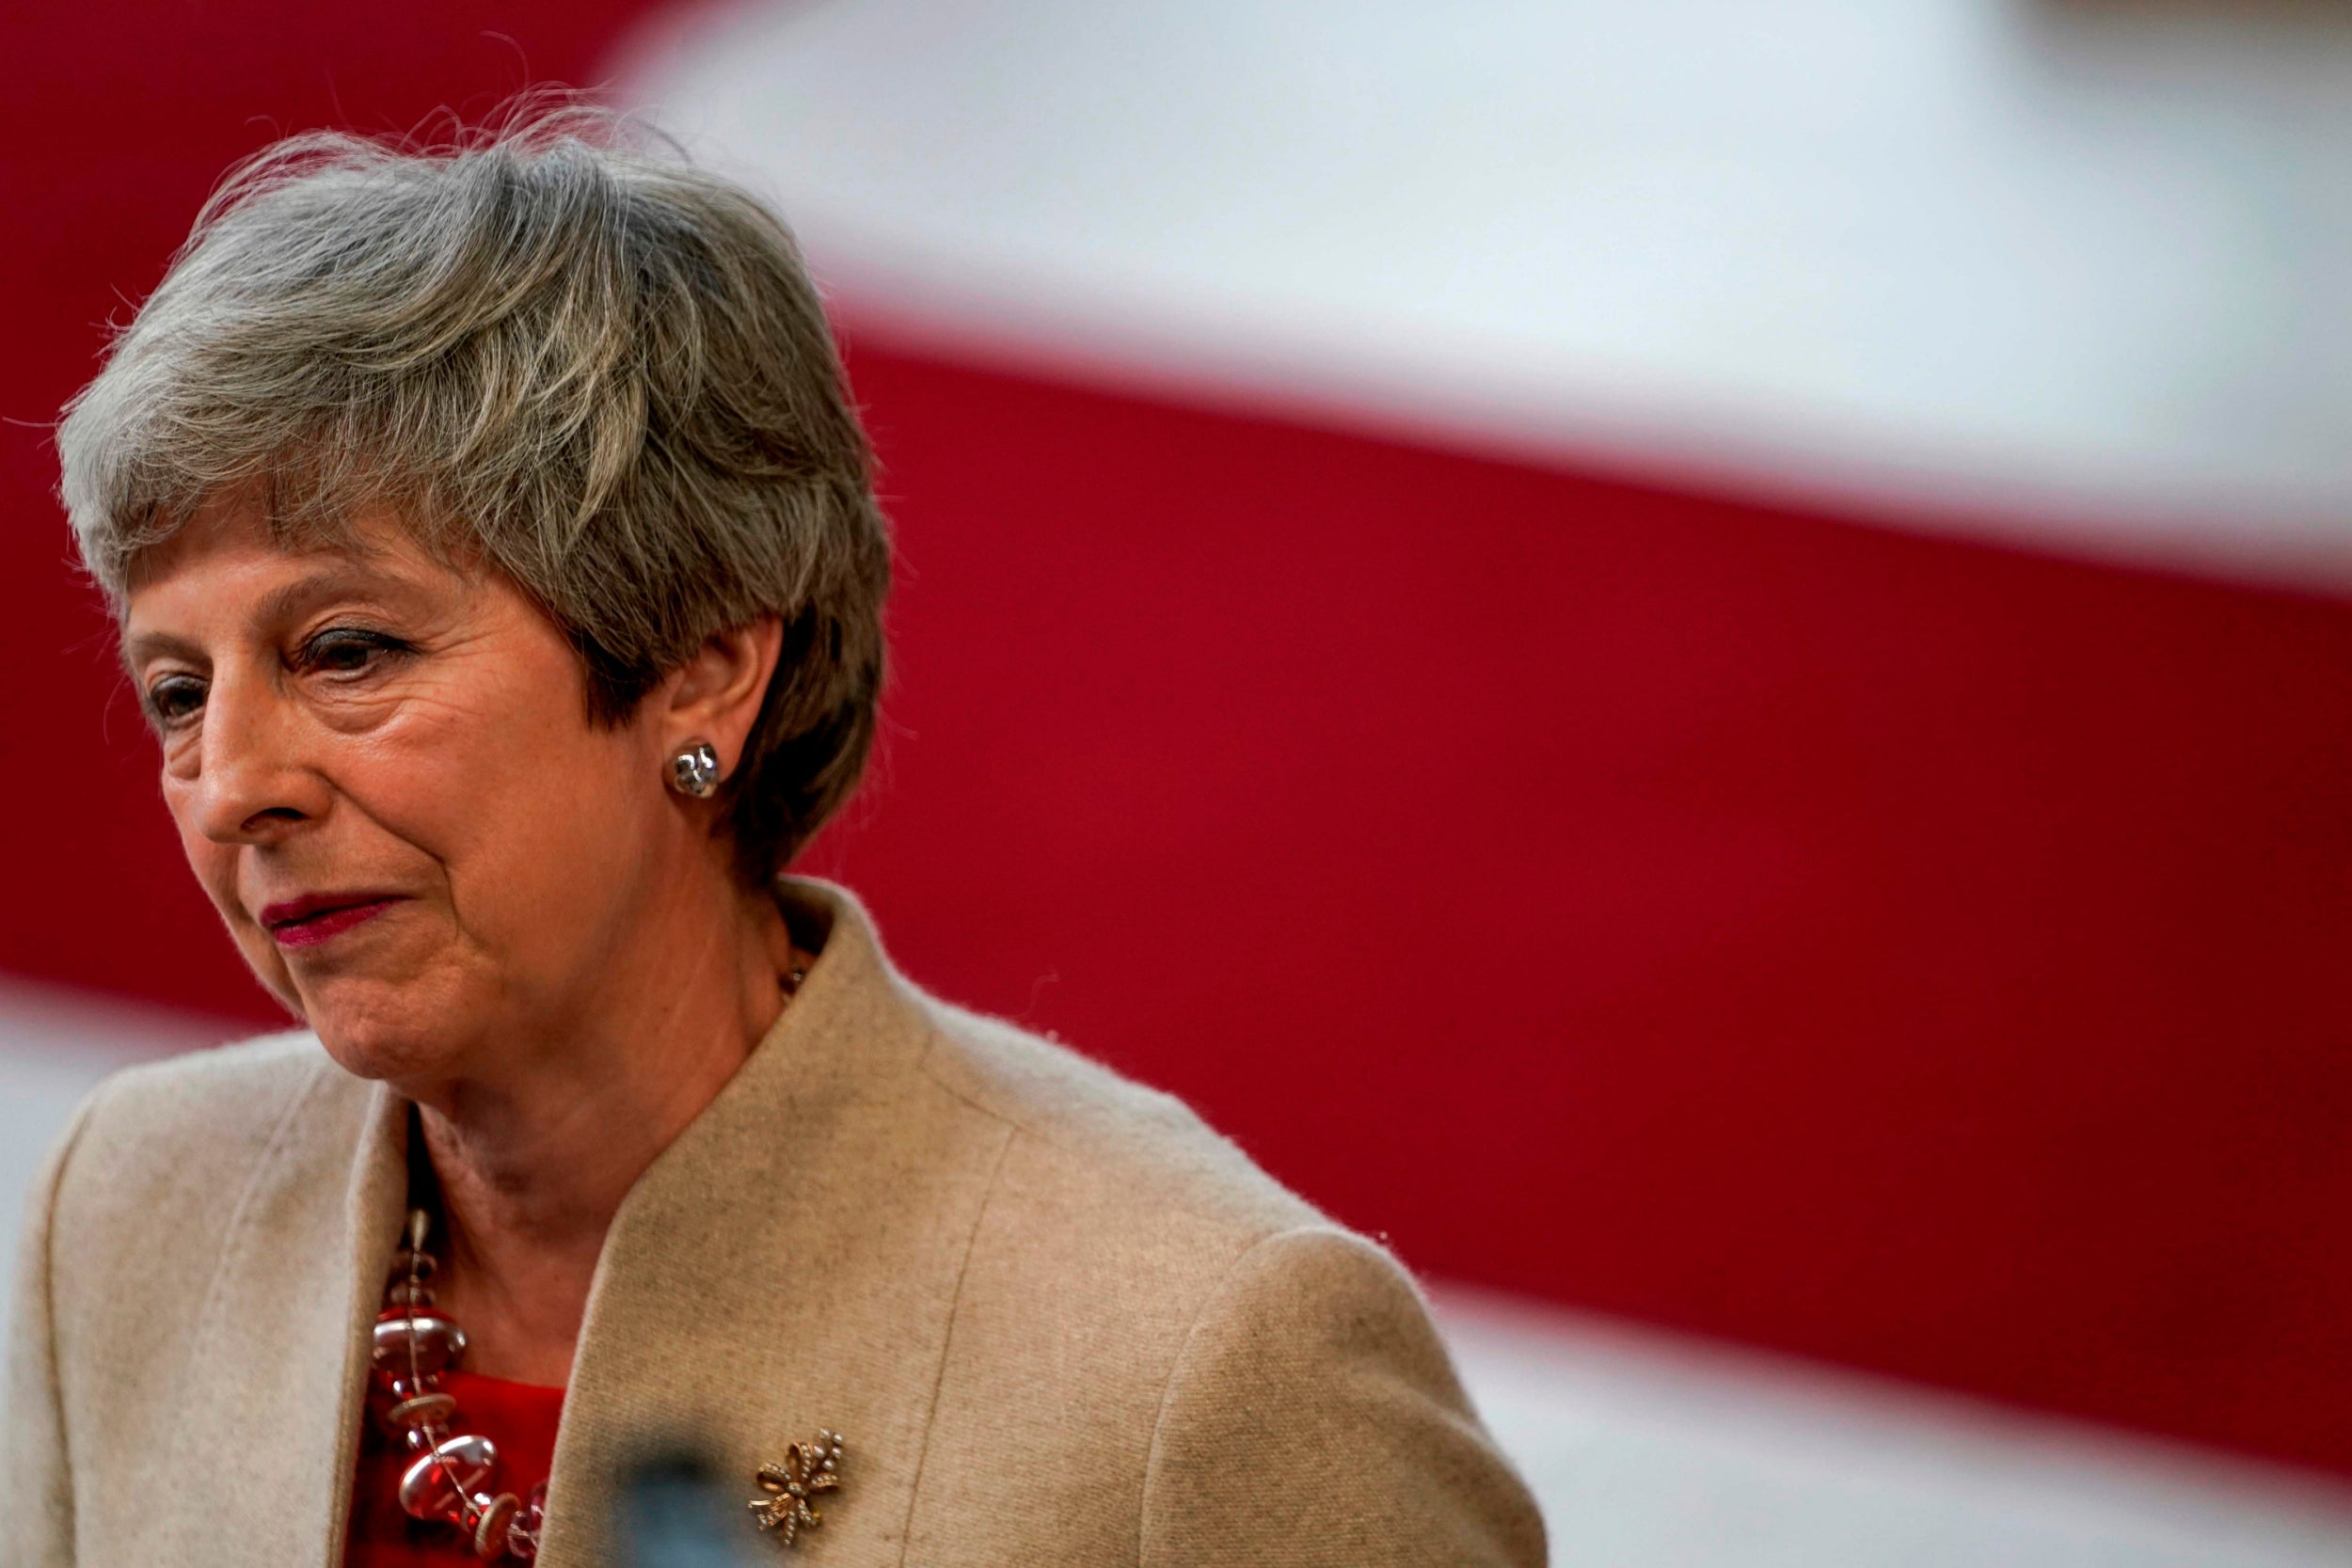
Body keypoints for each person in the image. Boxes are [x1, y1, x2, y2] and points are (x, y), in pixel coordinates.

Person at [4, 110, 1546, 1568]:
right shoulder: (132, 1205)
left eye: (346, 652)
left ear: (699, 669)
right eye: (178, 691)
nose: (230, 786)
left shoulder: (1209, 1353)